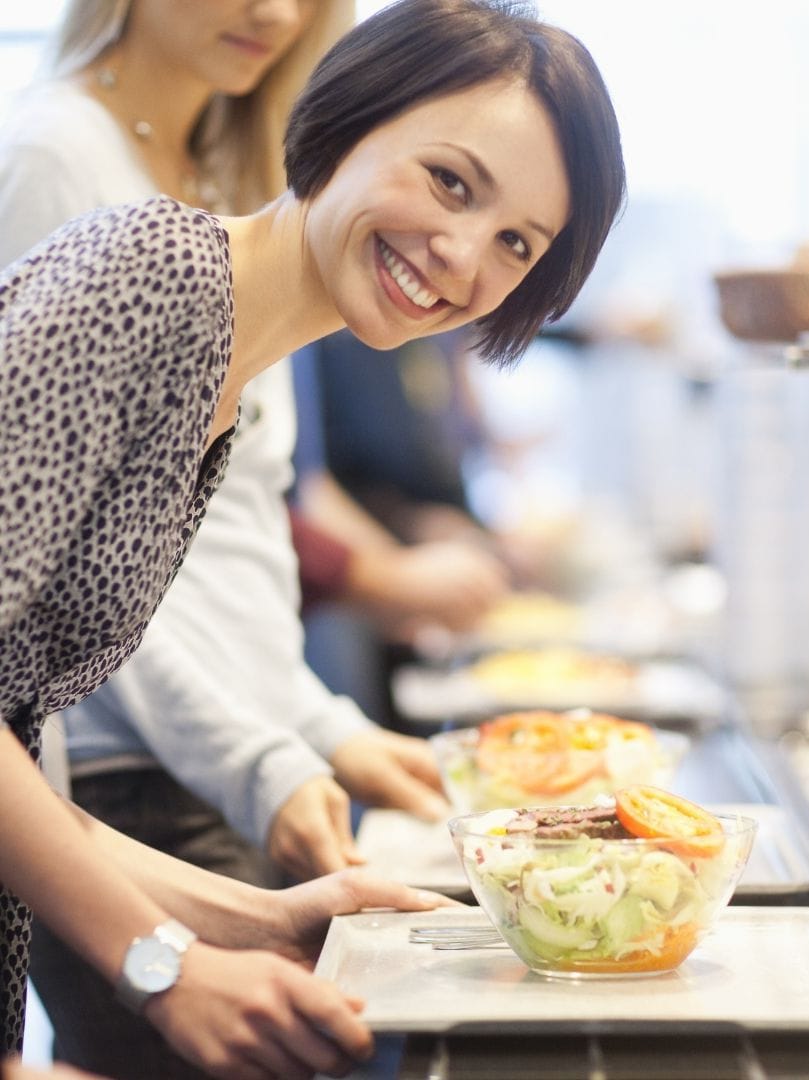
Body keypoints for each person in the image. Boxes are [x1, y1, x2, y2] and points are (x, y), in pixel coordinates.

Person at [0, 2, 626, 1078]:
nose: (463, 253)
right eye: (451, 181)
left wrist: (261, 919)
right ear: (349, 113)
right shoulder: (157, 272)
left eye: (516, 242)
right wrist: (164, 965)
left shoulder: (222, 362)